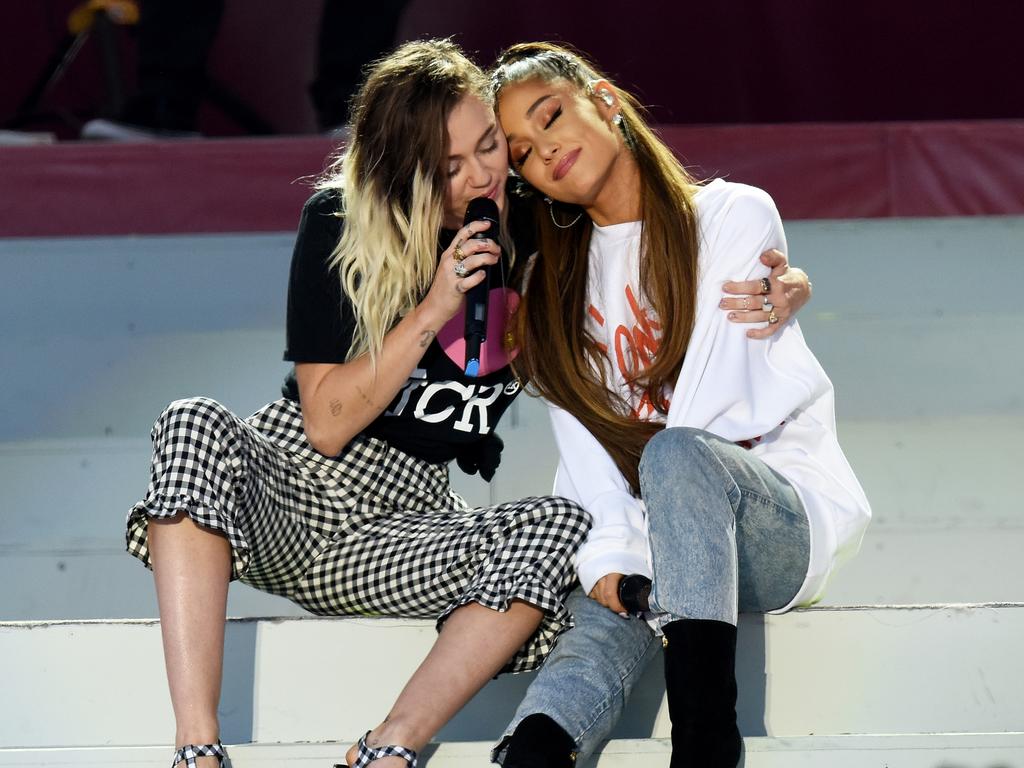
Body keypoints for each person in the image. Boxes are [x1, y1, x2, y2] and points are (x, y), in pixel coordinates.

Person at [125, 39, 813, 768]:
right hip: (293, 490)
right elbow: (324, 425)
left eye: (490, 145)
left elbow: (655, 224)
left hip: (406, 523)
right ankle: (197, 748)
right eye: (451, 166)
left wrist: (788, 284)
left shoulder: (534, 221)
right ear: (407, 171)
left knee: (561, 524)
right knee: (192, 420)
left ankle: (390, 749)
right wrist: (433, 306)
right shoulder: (340, 219)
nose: (484, 173)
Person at [489, 43, 871, 768]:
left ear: (603, 100)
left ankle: (704, 742)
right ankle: (533, 752)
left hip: (775, 523)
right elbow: (584, 452)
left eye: (552, 117)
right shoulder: (550, 292)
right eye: (524, 153)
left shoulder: (731, 214)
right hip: (663, 546)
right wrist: (613, 562)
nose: (547, 152)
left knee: (676, 455)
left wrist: (630, 550)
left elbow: (710, 414)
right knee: (608, 618)